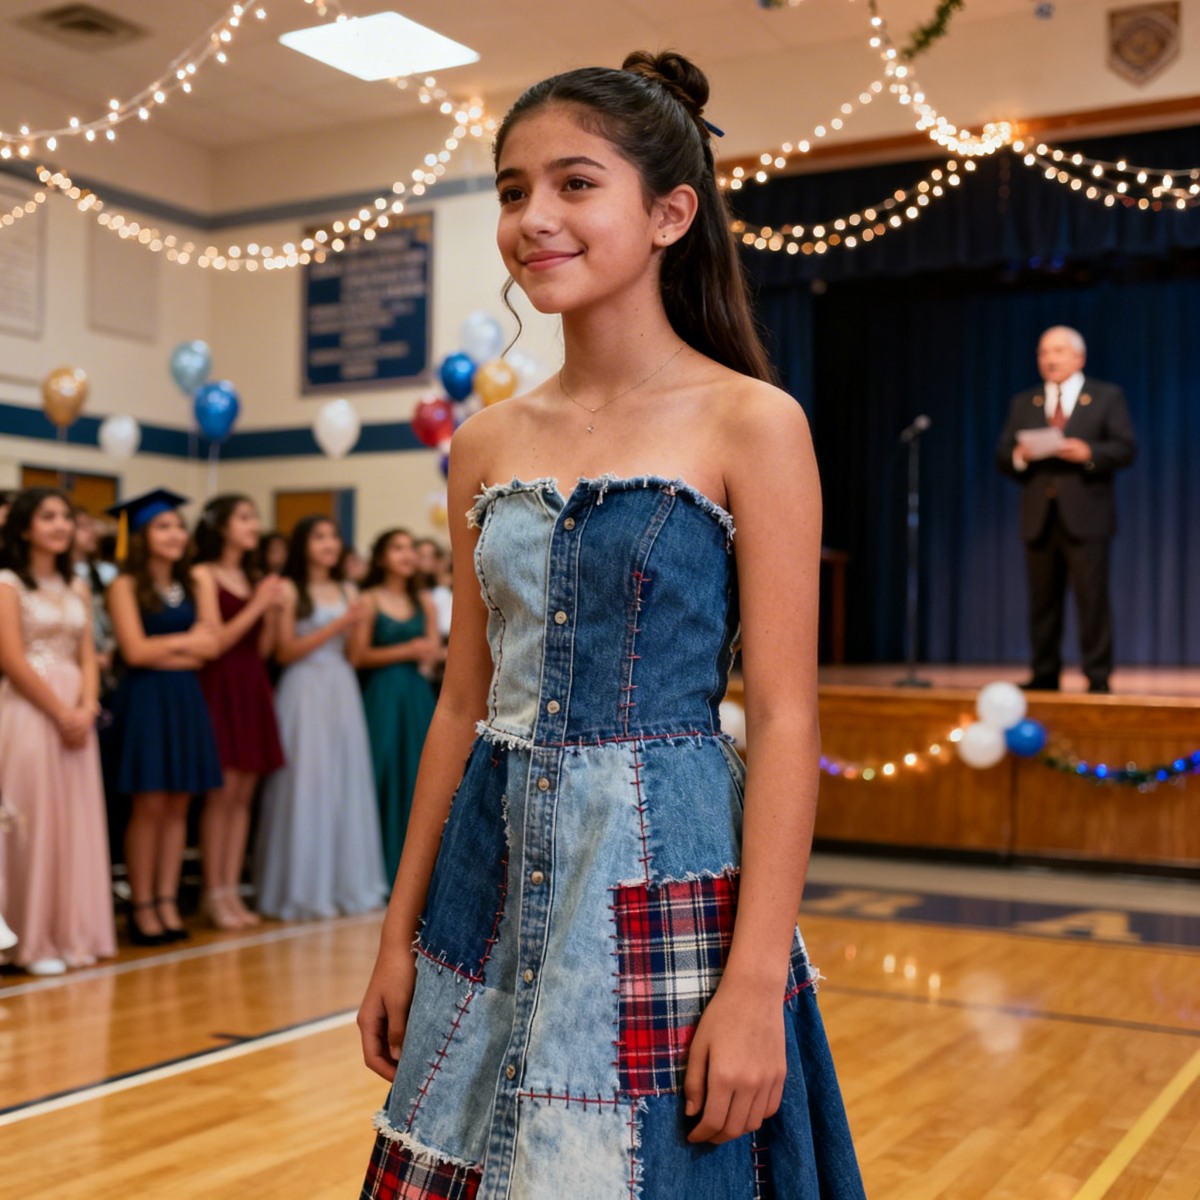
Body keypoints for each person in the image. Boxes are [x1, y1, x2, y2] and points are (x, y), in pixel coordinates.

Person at [356, 51, 864, 1199]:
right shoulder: (484, 445)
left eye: (575, 184)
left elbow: (786, 718)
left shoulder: (752, 422)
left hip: (667, 862)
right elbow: (461, 701)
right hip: (487, 870)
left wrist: (748, 988)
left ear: (670, 212)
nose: (534, 218)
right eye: (512, 188)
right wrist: (397, 935)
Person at [0, 488, 115, 974]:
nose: (61, 525)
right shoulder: (7, 582)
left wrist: (87, 706)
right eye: (48, 516)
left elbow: (87, 653)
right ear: (25, 527)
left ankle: (71, 932)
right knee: (31, 822)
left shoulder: (78, 585)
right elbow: (10, 658)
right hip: (29, 711)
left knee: (73, 822)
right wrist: (59, 711)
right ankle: (29, 938)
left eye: (66, 517)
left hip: (75, 717)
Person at [254, 516, 387, 921]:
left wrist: (357, 628)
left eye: (333, 536)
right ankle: (300, 889)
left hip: (342, 688)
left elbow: (354, 655)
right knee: (304, 785)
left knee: (344, 782)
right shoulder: (290, 590)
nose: (329, 543)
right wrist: (338, 625)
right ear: (303, 544)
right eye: (319, 536)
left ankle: (345, 885)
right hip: (303, 688)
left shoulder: (350, 590)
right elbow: (284, 652)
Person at [106, 490, 223, 944]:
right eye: (163, 526)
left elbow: (210, 648)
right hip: (146, 701)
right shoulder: (125, 586)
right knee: (149, 802)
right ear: (139, 536)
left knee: (178, 803)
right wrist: (186, 643)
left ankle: (167, 901)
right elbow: (133, 651)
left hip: (184, 696)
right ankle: (142, 904)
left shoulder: (196, 582)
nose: (175, 534)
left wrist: (171, 650)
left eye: (178, 525)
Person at [996, 326, 1137, 693]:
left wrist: (1090, 453)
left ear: (1079, 357)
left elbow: (1125, 448)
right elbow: (1002, 457)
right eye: (1044, 352)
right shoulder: (1024, 403)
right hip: (1039, 516)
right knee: (1042, 603)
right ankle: (1044, 674)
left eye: (1058, 351)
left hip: (1086, 516)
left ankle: (1098, 676)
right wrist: (1019, 456)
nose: (1050, 359)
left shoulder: (1106, 396)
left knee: (1092, 601)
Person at [192, 495, 286, 930]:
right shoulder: (204, 574)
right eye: (244, 517)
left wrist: (271, 611)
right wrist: (257, 605)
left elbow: (263, 649)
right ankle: (212, 892)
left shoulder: (251, 577)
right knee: (222, 794)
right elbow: (219, 641)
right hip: (220, 683)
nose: (254, 525)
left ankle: (231, 889)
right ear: (221, 526)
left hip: (252, 683)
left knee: (244, 794)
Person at [350, 529, 438, 883]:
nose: (406, 555)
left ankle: (414, 875)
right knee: (381, 773)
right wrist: (406, 651)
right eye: (397, 548)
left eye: (411, 548)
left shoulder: (424, 601)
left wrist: (427, 654)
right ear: (381, 557)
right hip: (383, 694)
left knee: (418, 777)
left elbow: (431, 654)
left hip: (416, 695)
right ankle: (376, 870)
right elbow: (357, 655)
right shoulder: (368, 599)